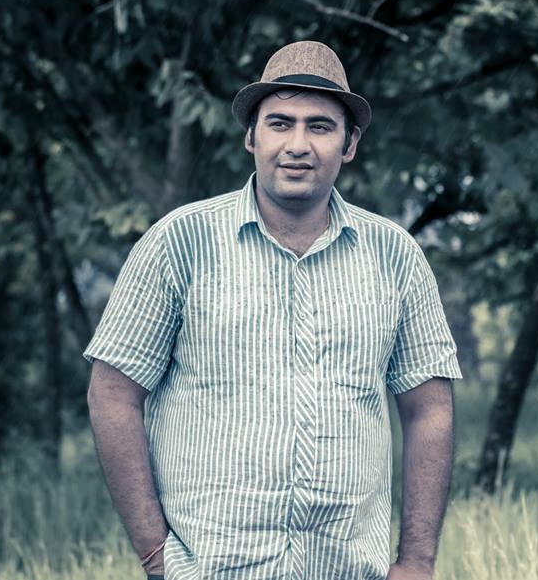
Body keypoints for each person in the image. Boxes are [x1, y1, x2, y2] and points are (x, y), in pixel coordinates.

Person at [85, 40, 462, 580]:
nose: (298, 145)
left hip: (352, 570)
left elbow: (430, 409)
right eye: (280, 122)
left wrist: (418, 562)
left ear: (350, 143)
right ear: (251, 135)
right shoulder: (179, 243)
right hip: (210, 570)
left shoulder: (394, 255)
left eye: (321, 126)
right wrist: (155, 555)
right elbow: (112, 392)